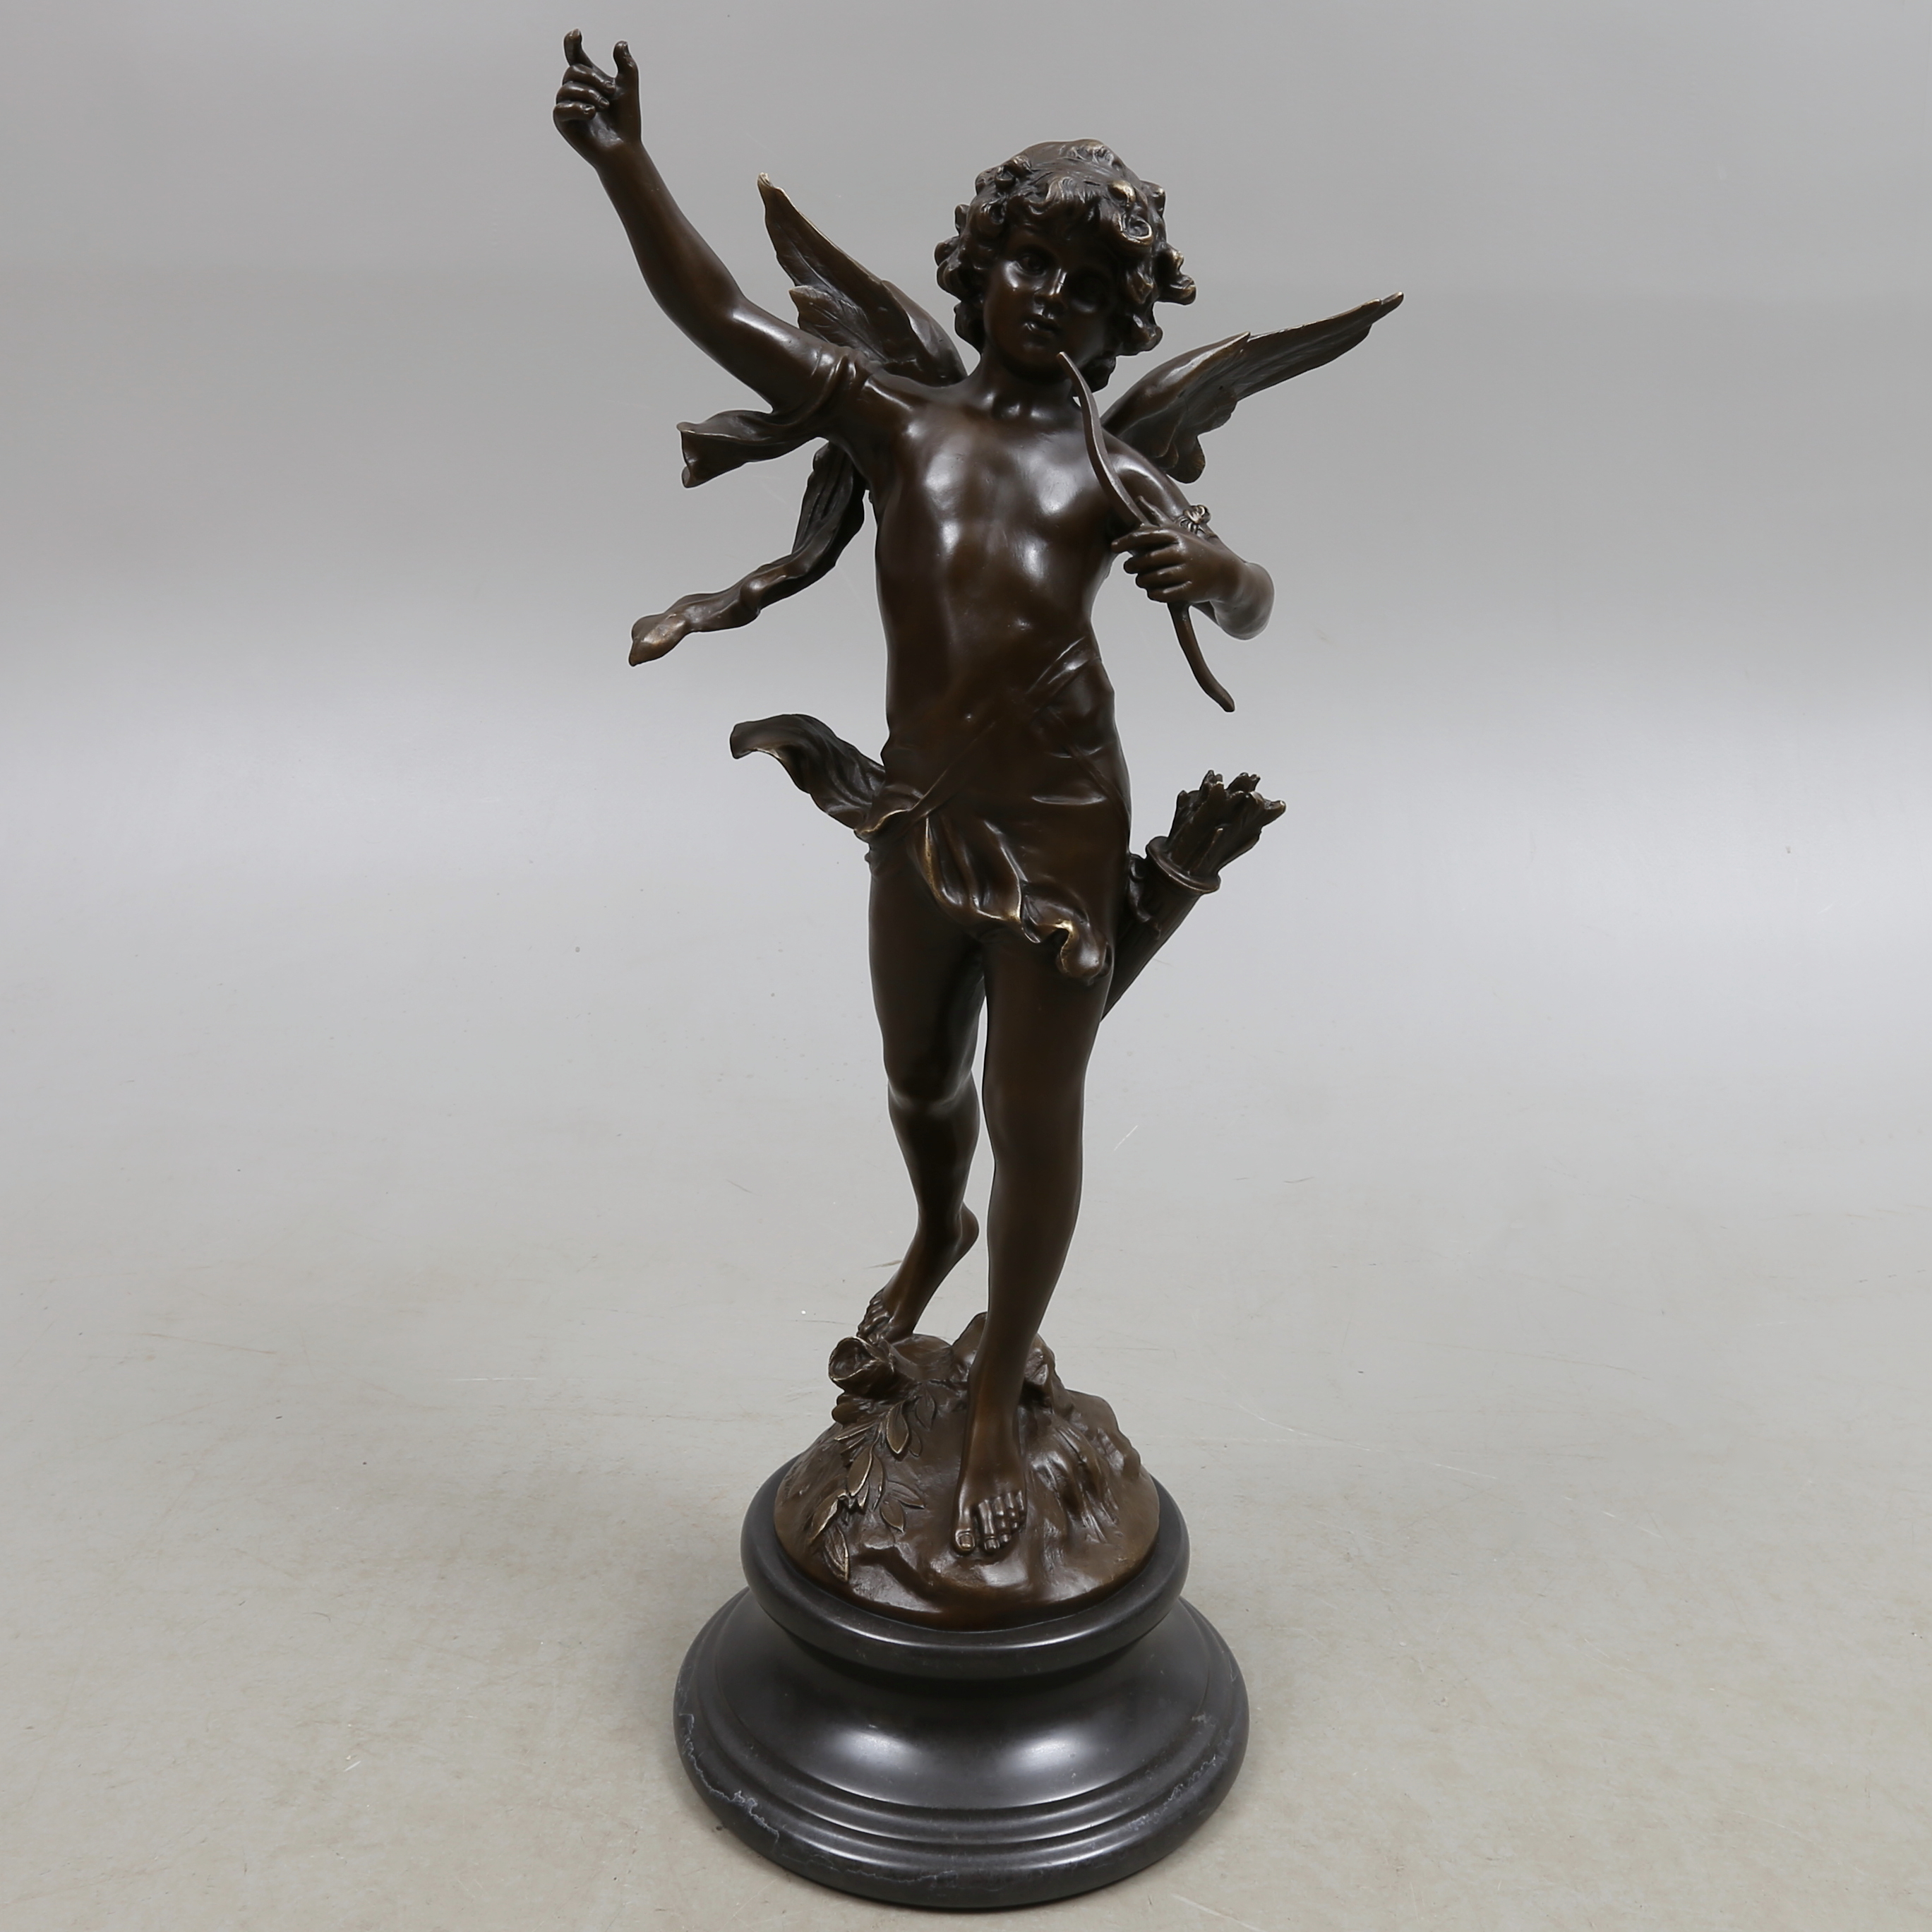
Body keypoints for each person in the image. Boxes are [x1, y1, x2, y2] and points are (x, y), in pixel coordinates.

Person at [555, 35, 1274, 1556]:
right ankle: (937, 1222)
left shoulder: (1112, 470)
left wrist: (1214, 570)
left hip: (1062, 819)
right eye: (1027, 260)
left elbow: (1253, 598)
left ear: (1121, 319)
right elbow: (717, 315)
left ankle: (1000, 1388)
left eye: (1089, 285)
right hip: (922, 811)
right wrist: (624, 165)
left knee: (1035, 1113)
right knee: (917, 1075)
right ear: (977, 267)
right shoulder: (899, 424)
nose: (1050, 296)